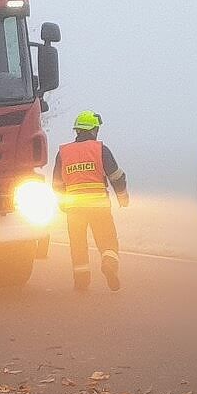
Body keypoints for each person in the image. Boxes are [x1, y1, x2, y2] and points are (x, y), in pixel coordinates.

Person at [53, 110, 130, 291]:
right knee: (107, 239)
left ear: (77, 130)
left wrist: (62, 204)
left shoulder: (63, 152)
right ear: (94, 130)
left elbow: (56, 183)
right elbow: (117, 176)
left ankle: (81, 281)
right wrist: (123, 197)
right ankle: (109, 263)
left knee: (78, 244)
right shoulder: (100, 149)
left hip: (74, 208)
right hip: (99, 206)